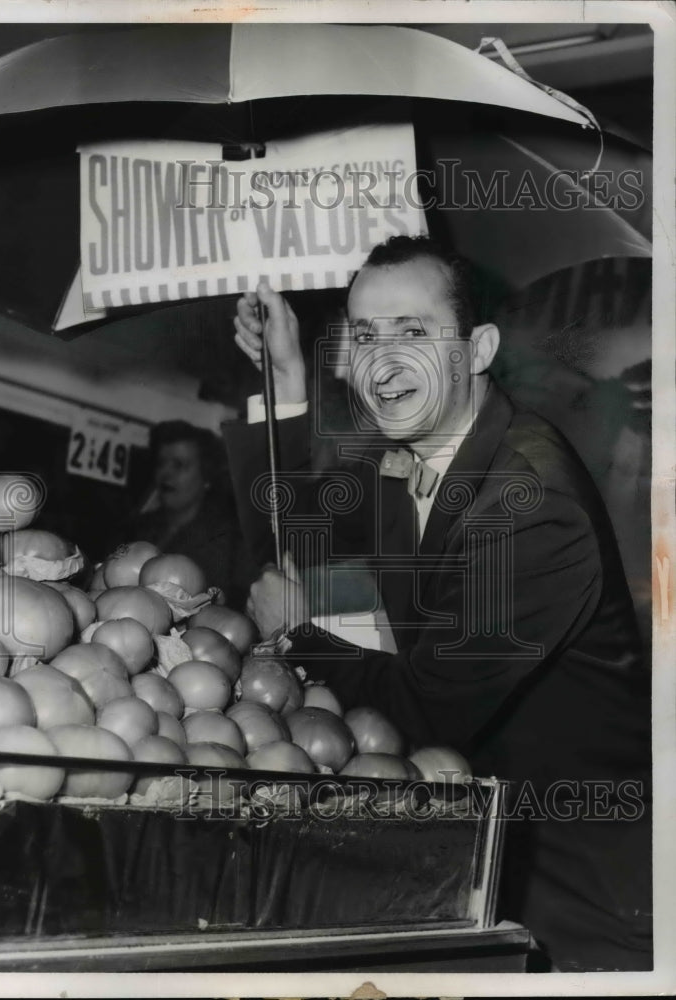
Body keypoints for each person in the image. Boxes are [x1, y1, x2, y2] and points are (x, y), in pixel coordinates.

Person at [224, 235, 652, 972]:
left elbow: (426, 708)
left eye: (413, 333)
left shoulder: (530, 501)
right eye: (364, 335)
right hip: (476, 863)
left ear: (478, 349)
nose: (382, 363)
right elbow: (304, 535)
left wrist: (297, 632)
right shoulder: (413, 458)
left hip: (583, 903)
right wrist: (287, 378)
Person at [111, 420, 256, 609]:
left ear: (206, 476)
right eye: (161, 463)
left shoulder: (231, 541)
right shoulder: (134, 530)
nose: (165, 473)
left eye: (179, 465)